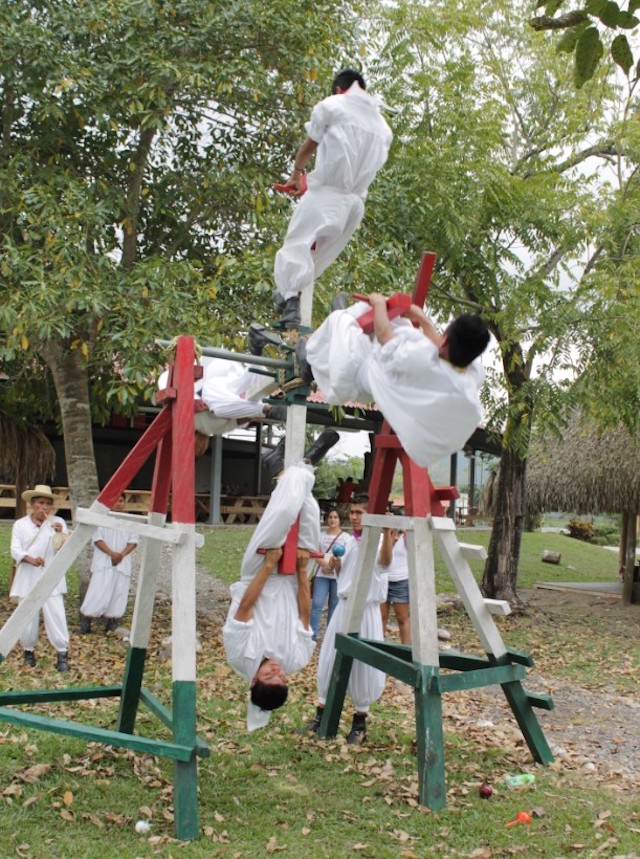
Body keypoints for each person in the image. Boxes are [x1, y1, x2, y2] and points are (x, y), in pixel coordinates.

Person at [304, 295, 491, 467]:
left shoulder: (419, 359)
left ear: (445, 340)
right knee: (401, 326)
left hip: (362, 375)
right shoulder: (473, 375)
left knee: (340, 323)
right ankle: (348, 315)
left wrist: (378, 303)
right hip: (396, 386)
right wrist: (422, 318)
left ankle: (306, 359)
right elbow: (440, 350)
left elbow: (384, 335)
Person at [273, 69, 393, 329]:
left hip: (328, 196)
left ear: (338, 89)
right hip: (353, 207)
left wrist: (297, 173)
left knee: (296, 245)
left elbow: (309, 146)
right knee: (315, 258)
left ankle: (290, 299)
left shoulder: (332, 106)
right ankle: (288, 296)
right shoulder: (383, 128)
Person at [222, 463, 320, 730]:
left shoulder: (239, 657)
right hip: (292, 582)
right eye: (281, 677)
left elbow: (245, 607)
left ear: (254, 680)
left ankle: (289, 467)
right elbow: (304, 614)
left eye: (269, 675)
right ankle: (303, 467)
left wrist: (268, 566)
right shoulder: (297, 660)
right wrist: (302, 571)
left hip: (257, 573)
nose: (278, 670)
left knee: (285, 512)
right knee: (310, 512)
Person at [298, 494, 388, 744]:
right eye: (353, 512)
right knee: (328, 658)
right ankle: (322, 716)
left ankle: (359, 723)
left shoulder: (379, 541)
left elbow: (385, 564)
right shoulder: (348, 541)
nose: (355, 517)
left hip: (367, 611)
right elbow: (339, 573)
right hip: (344, 607)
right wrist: (335, 566)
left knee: (364, 666)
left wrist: (387, 532)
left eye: (360, 512)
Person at [158, 357, 286, 456]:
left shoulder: (186, 419)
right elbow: (239, 421)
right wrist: (252, 414)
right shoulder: (214, 429)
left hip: (214, 376)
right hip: (234, 387)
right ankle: (257, 351)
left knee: (215, 402)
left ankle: (267, 408)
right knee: (252, 392)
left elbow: (169, 388)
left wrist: (202, 404)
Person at [10, 484, 71, 672]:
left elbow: (65, 547)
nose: (44, 508)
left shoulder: (58, 522)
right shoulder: (20, 525)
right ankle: (28, 652)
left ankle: (62, 655)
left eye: (47, 504)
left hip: (51, 576)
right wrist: (29, 559)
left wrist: (61, 532)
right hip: (28, 575)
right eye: (40, 503)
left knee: (56, 614)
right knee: (27, 615)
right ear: (32, 504)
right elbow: (15, 549)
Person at [79, 493, 138, 634]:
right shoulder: (101, 520)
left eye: (122, 500)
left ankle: (111, 625)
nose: (119, 503)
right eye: (116, 500)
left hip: (122, 561)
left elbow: (133, 542)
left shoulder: (131, 521)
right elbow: (98, 539)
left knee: (118, 592)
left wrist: (121, 554)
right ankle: (87, 622)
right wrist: (112, 554)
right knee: (98, 591)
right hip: (104, 560)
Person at [309, 508, 349, 641]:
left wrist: (333, 565)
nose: (333, 520)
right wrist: (325, 565)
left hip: (337, 576)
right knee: (317, 604)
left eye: (335, 517)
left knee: (334, 605)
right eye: (330, 517)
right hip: (322, 574)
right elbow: (316, 553)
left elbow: (347, 556)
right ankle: (312, 634)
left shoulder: (346, 538)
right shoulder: (321, 536)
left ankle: (330, 636)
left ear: (339, 520)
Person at [378, 522, 410, 646]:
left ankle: (406, 650)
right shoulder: (384, 536)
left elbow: (414, 546)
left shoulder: (405, 536)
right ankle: (378, 647)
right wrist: (390, 533)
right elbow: (385, 553)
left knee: (402, 618)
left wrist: (403, 530)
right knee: (381, 617)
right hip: (384, 579)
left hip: (401, 580)